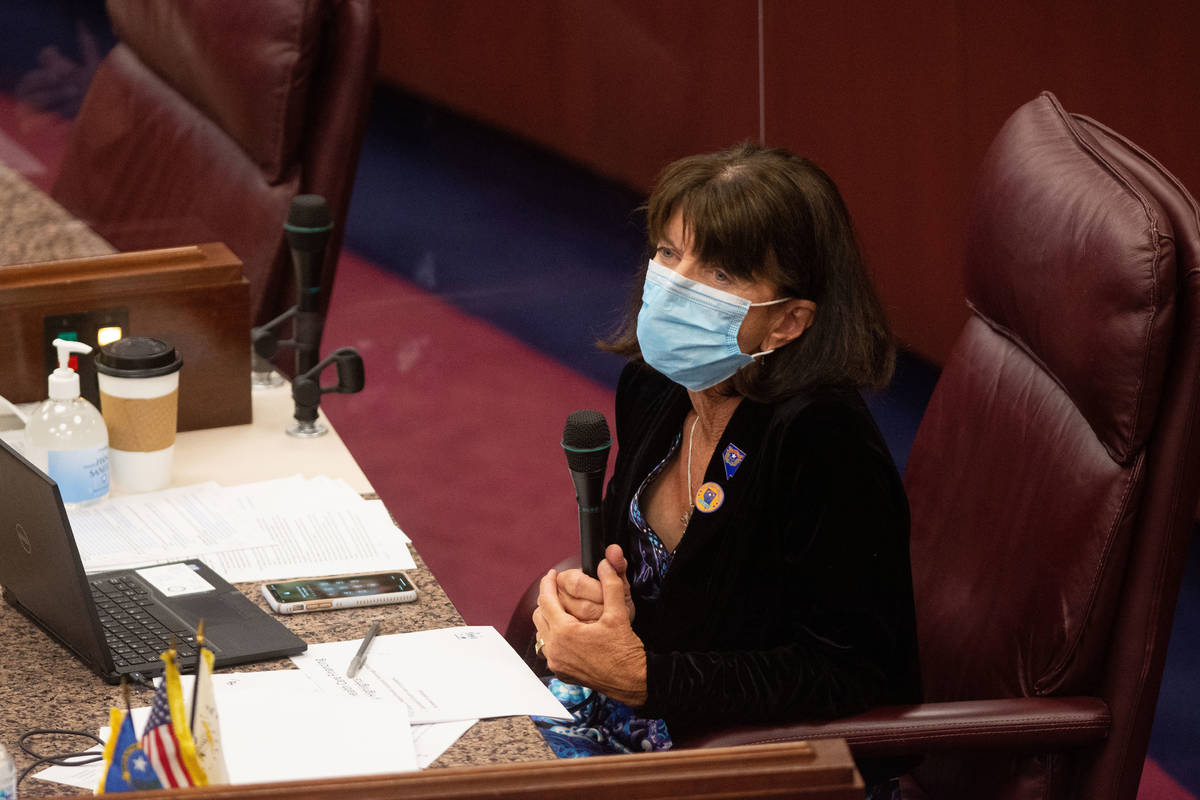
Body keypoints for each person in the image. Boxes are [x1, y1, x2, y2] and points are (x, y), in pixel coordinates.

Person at [530, 142, 921, 793]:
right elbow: (661, 591)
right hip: (647, 722)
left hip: (753, 763)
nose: (678, 283)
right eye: (669, 253)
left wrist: (645, 677)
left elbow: (854, 677)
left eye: (721, 274)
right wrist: (597, 607)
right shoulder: (654, 388)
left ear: (788, 323)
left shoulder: (822, 440)